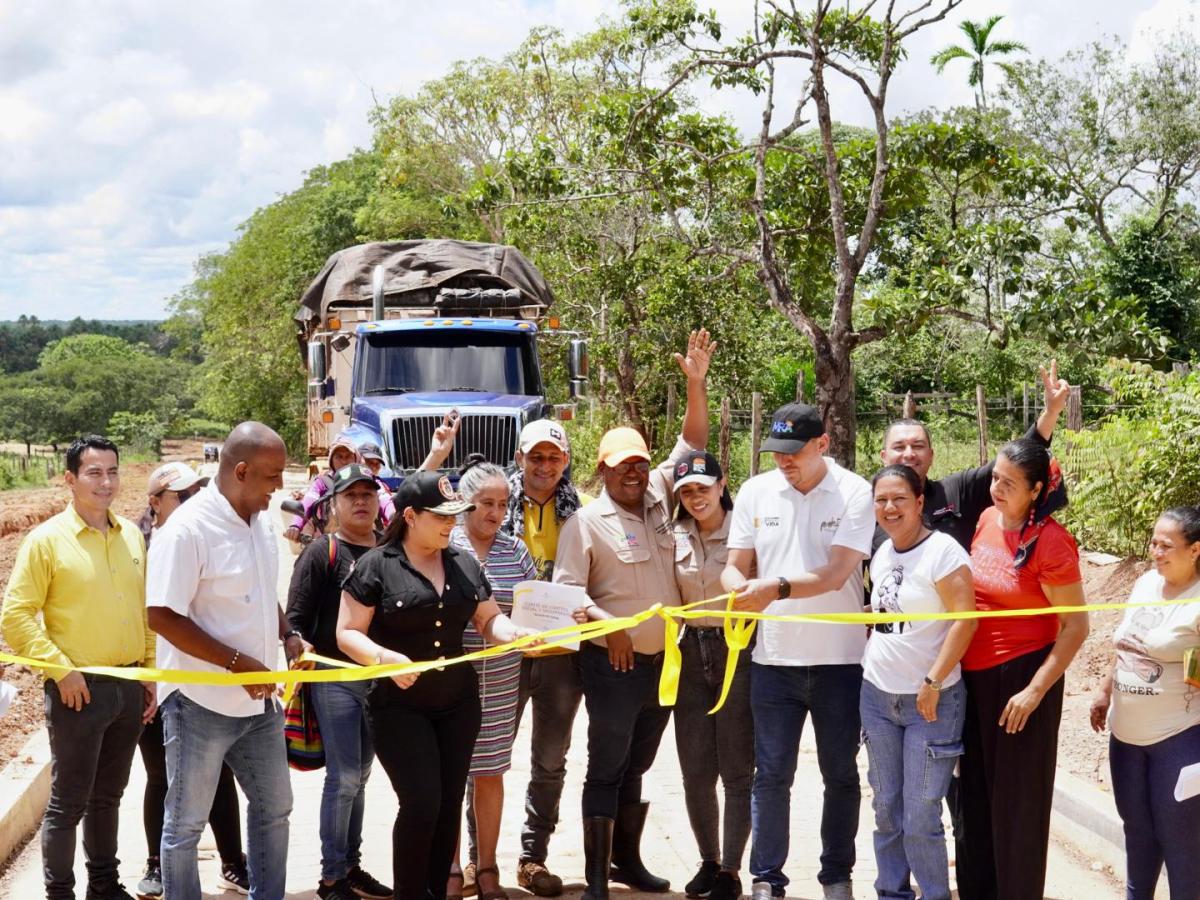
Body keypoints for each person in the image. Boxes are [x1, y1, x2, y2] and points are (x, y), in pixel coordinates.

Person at [554, 328, 715, 900]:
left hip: (662, 666)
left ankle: (627, 862)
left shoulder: (659, 498)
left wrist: (694, 383)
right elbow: (568, 592)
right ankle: (597, 878)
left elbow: (692, 440)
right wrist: (609, 626)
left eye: (641, 463)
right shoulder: (586, 523)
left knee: (637, 767)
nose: (634, 472)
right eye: (623, 465)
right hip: (613, 666)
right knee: (606, 765)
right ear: (601, 469)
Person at [336, 470, 539, 900]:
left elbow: (488, 619)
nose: (451, 524)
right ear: (410, 516)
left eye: (455, 516)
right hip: (400, 707)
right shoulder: (376, 565)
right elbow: (348, 632)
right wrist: (383, 658)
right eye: (442, 516)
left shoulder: (463, 563)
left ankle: (434, 892)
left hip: (458, 707)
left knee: (447, 807)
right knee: (422, 802)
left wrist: (515, 633)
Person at [146, 422, 309, 900]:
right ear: (241, 471)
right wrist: (238, 664)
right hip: (199, 704)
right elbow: (161, 615)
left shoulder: (259, 522)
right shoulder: (188, 530)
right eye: (272, 476)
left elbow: (258, 592)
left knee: (275, 807)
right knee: (186, 825)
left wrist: (288, 634)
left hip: (258, 704)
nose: (280, 487)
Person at [721, 403, 874, 900]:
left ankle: (836, 876)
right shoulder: (754, 491)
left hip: (840, 661)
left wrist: (772, 589)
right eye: (776, 453)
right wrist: (737, 590)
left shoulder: (854, 492)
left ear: (822, 445)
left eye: (794, 453)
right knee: (771, 775)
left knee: (841, 774)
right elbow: (735, 565)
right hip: (774, 661)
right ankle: (767, 878)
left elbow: (834, 575)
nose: (783, 462)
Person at [2, 434, 157, 900]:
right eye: (94, 472)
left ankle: (104, 885)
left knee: (108, 796)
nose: (105, 481)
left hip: (128, 686)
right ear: (70, 479)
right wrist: (60, 670)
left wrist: (147, 672)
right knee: (68, 801)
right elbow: (15, 614)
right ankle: (60, 892)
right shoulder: (46, 540)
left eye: (112, 471)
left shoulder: (131, 534)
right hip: (77, 689)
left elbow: (144, 608)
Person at [956, 438, 1088, 900]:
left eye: (1008, 483)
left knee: (1018, 808)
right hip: (973, 680)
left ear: (1035, 490)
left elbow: (1075, 627)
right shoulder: (986, 520)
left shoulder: (1052, 543)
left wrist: (1034, 691)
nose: (995, 488)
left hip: (1023, 680)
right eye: (994, 477)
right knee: (973, 802)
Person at [859, 465, 976, 900]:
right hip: (877, 697)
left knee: (921, 811)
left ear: (920, 502)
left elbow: (966, 621)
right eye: (881, 500)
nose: (889, 508)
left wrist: (933, 679)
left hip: (932, 701)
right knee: (886, 807)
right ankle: (891, 892)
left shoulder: (944, 553)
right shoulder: (884, 551)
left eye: (899, 499)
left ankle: (934, 894)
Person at [134, 462, 248, 900]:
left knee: (217, 774)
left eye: (199, 490)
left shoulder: (208, 537)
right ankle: (157, 866)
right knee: (161, 777)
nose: (193, 500)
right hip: (155, 680)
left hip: (202, 679)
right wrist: (146, 676)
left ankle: (234, 864)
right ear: (155, 502)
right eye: (182, 494)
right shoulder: (138, 547)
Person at [286, 464, 392, 900]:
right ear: (333, 504)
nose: (362, 502)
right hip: (333, 679)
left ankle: (351, 865)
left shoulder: (389, 550)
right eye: (352, 495)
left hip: (375, 679)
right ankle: (332, 878)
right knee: (345, 777)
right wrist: (298, 653)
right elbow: (294, 619)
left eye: (369, 494)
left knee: (360, 776)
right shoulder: (322, 552)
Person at [502, 416, 594, 896]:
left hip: (561, 656)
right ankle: (479, 865)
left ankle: (532, 858)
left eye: (554, 457)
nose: (544, 465)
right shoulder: (494, 505)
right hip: (504, 653)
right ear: (519, 459)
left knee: (551, 761)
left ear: (566, 461)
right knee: (489, 760)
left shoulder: (582, 513)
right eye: (535, 456)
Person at [1089, 506, 1200, 900]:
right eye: (1153, 542)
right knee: (1137, 834)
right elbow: (1125, 647)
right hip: (1126, 737)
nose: (1156, 551)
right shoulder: (1146, 584)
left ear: (1195, 550)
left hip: (1179, 739)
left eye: (1166, 545)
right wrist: (1104, 691)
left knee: (1181, 844)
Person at [446, 455, 538, 900]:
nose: (496, 513)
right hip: (449, 677)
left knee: (490, 773)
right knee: (447, 772)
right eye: (486, 503)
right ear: (465, 502)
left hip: (502, 678)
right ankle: (447, 869)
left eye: (503, 504)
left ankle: (486, 868)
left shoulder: (515, 550)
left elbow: (535, 605)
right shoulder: (444, 544)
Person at [670, 450, 752, 900]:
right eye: (686, 491)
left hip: (737, 648)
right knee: (695, 769)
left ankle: (732, 870)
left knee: (737, 767)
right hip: (688, 651)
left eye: (702, 487)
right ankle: (708, 859)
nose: (695, 497)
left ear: (722, 485)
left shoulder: (745, 533)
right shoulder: (674, 533)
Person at [877, 361, 1071, 552]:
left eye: (918, 446)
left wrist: (1051, 412)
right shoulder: (865, 510)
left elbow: (1019, 460)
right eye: (899, 447)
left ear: (931, 455)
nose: (909, 454)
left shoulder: (957, 491)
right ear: (884, 456)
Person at [285, 436, 360, 542]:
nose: (344, 461)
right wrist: (296, 525)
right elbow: (309, 500)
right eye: (339, 457)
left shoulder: (366, 480)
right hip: (329, 543)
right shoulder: (322, 482)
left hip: (363, 542)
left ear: (355, 458)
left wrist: (391, 515)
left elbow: (384, 498)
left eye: (348, 456)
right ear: (331, 461)